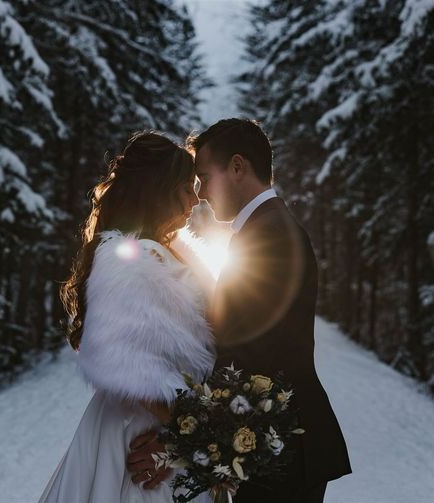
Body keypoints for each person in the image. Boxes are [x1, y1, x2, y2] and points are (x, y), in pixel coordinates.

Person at [128, 119, 352, 502]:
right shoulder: (264, 230)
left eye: (203, 177)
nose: (199, 195)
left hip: (284, 450)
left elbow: (247, 361)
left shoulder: (270, 237)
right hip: (276, 443)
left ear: (237, 167)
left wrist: (177, 441)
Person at [38, 131, 215, 503]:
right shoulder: (129, 259)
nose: (196, 199)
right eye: (187, 188)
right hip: (139, 434)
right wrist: (189, 432)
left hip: (169, 426)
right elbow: (136, 371)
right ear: (159, 190)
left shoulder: (164, 253)